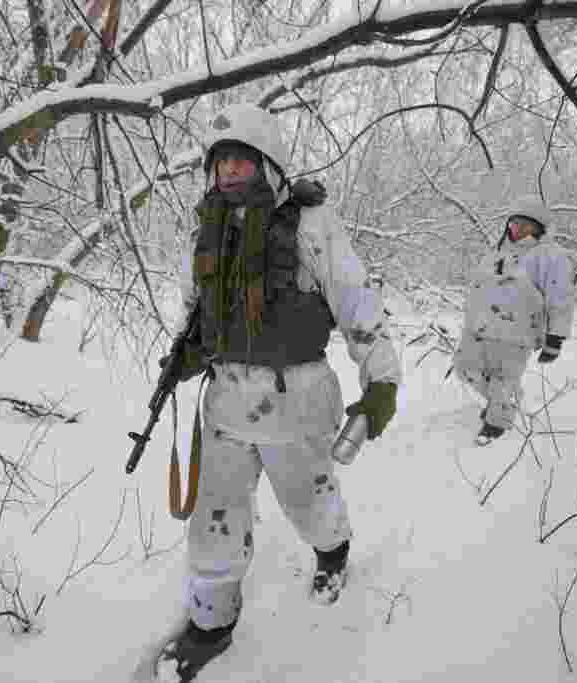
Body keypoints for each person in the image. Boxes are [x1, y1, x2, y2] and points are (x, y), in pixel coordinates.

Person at [154, 103, 401, 682]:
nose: (230, 172)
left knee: (309, 500)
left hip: (297, 400)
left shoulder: (314, 226)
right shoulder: (208, 229)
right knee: (215, 516)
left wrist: (381, 378)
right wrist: (185, 353)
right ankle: (211, 623)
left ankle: (333, 552)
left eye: (241, 160)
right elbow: (196, 309)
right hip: (227, 400)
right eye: (221, 163)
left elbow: (358, 304)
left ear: (268, 163)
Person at [453, 198, 575, 446]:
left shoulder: (549, 256)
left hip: (517, 334)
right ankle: (504, 400)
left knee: (504, 380)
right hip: (481, 328)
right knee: (465, 368)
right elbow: (478, 288)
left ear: (538, 229)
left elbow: (559, 296)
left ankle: (496, 423)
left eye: (526, 226)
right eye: (515, 224)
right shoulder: (497, 252)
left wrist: (555, 338)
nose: (518, 230)